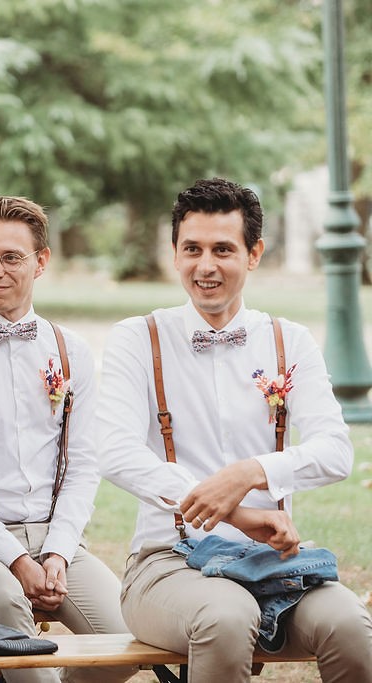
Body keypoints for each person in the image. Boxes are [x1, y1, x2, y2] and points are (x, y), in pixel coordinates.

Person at [96, 177, 372, 682]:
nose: (206, 266)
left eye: (223, 249)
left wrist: (252, 472)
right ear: (174, 253)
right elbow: (113, 450)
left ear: (254, 254)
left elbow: (336, 452)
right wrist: (231, 509)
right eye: (192, 249)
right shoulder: (138, 339)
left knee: (350, 625)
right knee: (226, 616)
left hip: (273, 565)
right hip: (167, 564)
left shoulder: (291, 340)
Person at [0, 197, 133, 683]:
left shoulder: (69, 350)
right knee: (5, 596)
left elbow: (81, 465)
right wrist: (16, 559)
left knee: (125, 644)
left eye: (11, 257)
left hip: (55, 539)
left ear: (41, 261)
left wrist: (56, 552)